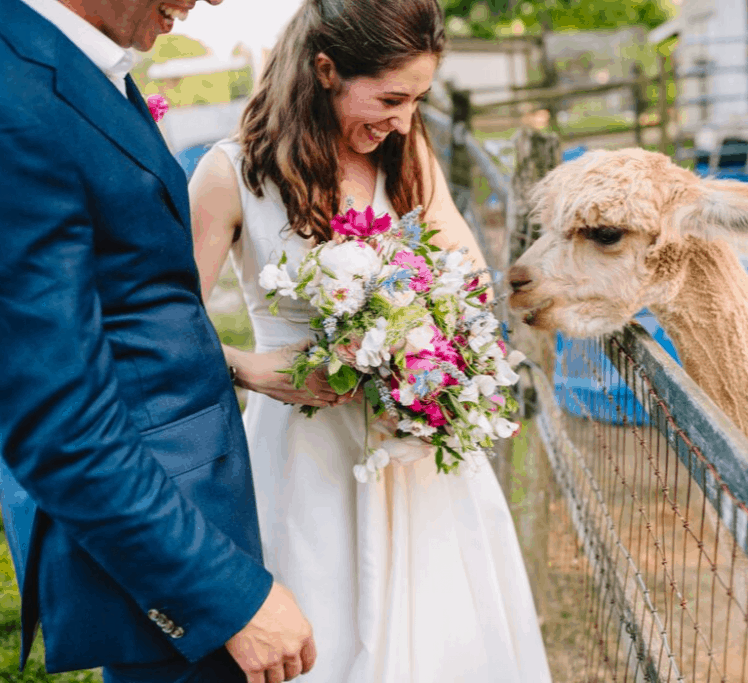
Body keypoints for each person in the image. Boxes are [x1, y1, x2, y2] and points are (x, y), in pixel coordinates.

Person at [188, 0, 553, 680]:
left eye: (417, 99)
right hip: (305, 457)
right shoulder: (230, 174)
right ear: (326, 70)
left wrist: (431, 348)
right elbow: (164, 324)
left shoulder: (404, 153)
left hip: (417, 455)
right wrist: (249, 368)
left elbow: (470, 280)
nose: (405, 119)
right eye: (390, 97)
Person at [0, 0, 318, 681]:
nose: (213, 1)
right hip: (154, 545)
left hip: (183, 509)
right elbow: (58, 420)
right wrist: (225, 596)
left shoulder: (78, 59)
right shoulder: (10, 92)